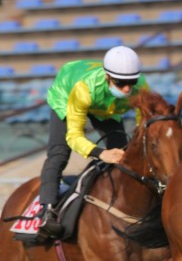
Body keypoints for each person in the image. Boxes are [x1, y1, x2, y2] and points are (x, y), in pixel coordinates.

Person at [38, 45, 148, 238]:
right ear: (107, 77)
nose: (127, 89)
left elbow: (143, 125)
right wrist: (100, 153)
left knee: (122, 153)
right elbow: (74, 136)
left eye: (131, 82)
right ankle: (46, 211)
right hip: (68, 96)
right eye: (121, 83)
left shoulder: (142, 87)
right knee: (59, 154)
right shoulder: (83, 89)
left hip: (105, 107)